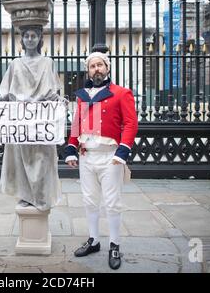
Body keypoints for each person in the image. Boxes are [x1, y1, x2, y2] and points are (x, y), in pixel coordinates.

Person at [64, 51, 138, 270]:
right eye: (92, 66)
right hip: (87, 156)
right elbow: (77, 124)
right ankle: (94, 240)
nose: (96, 69)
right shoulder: (82, 95)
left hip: (110, 157)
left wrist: (122, 151)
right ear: (88, 70)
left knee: (112, 202)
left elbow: (131, 124)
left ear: (107, 68)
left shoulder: (121, 93)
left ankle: (114, 245)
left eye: (100, 65)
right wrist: (71, 147)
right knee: (89, 200)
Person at [0, 25, 66, 211]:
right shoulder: (15, 63)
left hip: (40, 121)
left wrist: (61, 100)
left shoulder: (48, 62)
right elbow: (6, 92)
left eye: (34, 36)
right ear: (22, 40)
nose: (30, 39)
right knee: (20, 162)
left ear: (39, 39)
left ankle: (41, 196)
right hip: (20, 122)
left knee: (42, 160)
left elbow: (53, 92)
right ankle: (26, 196)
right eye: (27, 36)